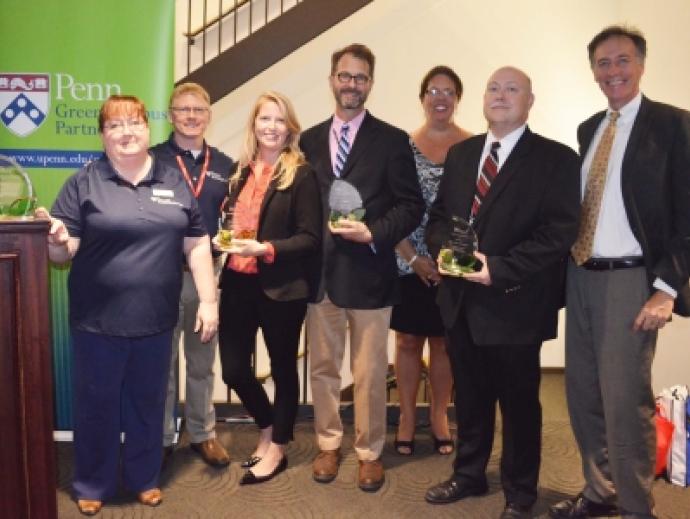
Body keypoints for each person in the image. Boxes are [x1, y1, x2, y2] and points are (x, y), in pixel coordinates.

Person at [38, 95, 218, 515]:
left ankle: (143, 478)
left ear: (147, 128)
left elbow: (197, 244)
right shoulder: (83, 183)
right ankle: (92, 483)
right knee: (96, 405)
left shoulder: (174, 181)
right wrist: (57, 242)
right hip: (97, 322)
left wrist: (209, 300)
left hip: (157, 321)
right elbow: (65, 252)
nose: (126, 133)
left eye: (134, 123)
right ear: (103, 136)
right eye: (115, 126)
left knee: (148, 403)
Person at [424, 67, 580, 519]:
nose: (500, 95)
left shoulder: (556, 159)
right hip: (460, 302)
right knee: (469, 398)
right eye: (493, 87)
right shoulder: (462, 153)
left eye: (512, 89)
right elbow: (438, 220)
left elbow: (558, 233)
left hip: (515, 301)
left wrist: (499, 269)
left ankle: (520, 491)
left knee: (519, 405)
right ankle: (469, 474)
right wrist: (443, 254)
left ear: (530, 101)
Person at [549, 26, 690, 519]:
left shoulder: (674, 125)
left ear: (641, 65)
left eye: (622, 60)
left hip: (633, 282)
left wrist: (667, 288)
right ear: (593, 71)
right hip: (582, 274)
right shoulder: (590, 128)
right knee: (583, 391)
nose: (613, 71)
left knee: (625, 399)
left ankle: (636, 506)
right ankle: (600, 490)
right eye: (603, 63)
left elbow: (687, 215)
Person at [300, 43, 424, 492]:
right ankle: (328, 444)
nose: (351, 84)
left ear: (370, 83)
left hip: (370, 274)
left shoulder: (392, 141)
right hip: (323, 278)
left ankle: (370, 452)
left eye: (360, 77)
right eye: (344, 76)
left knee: (370, 372)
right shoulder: (309, 140)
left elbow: (412, 205)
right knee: (323, 368)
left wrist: (373, 232)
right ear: (332, 79)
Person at [217, 91, 321, 485]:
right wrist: (223, 240)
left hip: (282, 288)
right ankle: (266, 427)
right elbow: (233, 222)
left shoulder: (302, 174)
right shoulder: (240, 171)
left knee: (282, 369)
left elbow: (310, 238)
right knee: (232, 370)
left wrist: (266, 248)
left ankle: (278, 445)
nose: (272, 127)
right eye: (265, 119)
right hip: (239, 283)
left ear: (290, 128)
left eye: (279, 120)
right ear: (254, 125)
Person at [391, 65, 472, 456]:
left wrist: (447, 260)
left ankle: (439, 415)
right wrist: (413, 257)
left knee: (444, 344)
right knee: (407, 341)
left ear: (458, 99)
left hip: (452, 263)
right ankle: (406, 416)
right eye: (433, 91)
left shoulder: (474, 146)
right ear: (422, 98)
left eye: (449, 91)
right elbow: (389, 206)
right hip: (407, 259)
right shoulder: (401, 147)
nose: (441, 98)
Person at [151, 82, 232, 467]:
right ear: (170, 115)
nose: (191, 116)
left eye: (198, 109)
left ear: (208, 115)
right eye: (183, 109)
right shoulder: (151, 160)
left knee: (201, 361)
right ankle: (163, 434)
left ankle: (203, 433)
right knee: (162, 362)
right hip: (160, 277)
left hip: (205, 280)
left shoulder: (225, 166)